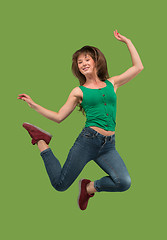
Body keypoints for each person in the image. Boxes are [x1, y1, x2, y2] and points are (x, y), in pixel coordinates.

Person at [17, 29, 144, 211]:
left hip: (108, 146)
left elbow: (138, 67)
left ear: (96, 61)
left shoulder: (112, 83)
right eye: (79, 62)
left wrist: (128, 41)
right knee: (60, 184)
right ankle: (41, 140)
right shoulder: (78, 92)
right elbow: (59, 117)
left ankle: (89, 188)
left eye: (86, 59)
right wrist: (34, 105)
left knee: (124, 182)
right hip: (87, 142)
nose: (83, 63)